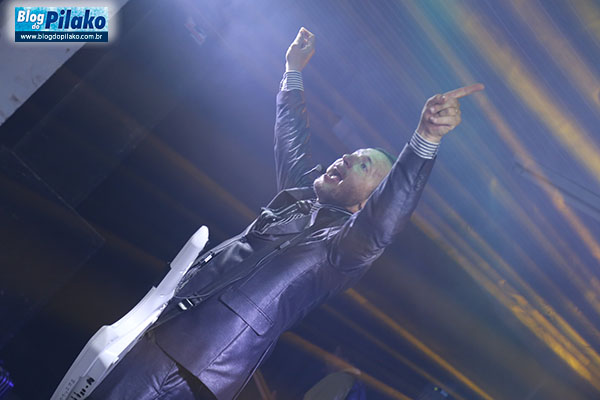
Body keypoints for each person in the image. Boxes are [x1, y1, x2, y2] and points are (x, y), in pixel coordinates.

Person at [89, 27, 483, 400]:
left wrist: (426, 138)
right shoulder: (302, 199)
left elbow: (384, 221)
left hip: (192, 359)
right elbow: (290, 136)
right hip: (168, 334)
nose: (347, 158)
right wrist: (293, 69)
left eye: (363, 165)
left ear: (367, 203)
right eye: (351, 153)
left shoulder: (342, 247)